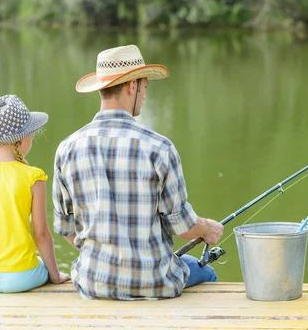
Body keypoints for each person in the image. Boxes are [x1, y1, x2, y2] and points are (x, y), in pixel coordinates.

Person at [52, 45, 224, 300]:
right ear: (132, 86)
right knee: (207, 273)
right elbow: (184, 227)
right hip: (155, 283)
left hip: (92, 282)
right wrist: (208, 228)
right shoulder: (159, 148)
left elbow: (66, 229)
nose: (144, 96)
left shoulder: (67, 148)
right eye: (145, 87)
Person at [0, 94, 70, 293]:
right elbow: (42, 234)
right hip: (21, 277)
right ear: (21, 140)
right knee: (38, 263)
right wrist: (55, 276)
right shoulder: (33, 177)